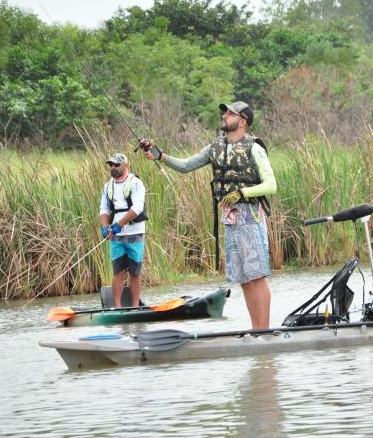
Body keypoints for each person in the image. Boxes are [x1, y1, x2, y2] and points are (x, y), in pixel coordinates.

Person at [144, 101, 276, 329]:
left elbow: (271, 185)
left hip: (250, 217)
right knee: (244, 278)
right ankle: (257, 331)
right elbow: (186, 165)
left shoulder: (254, 147)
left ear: (242, 120)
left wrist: (242, 192)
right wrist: (160, 156)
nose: (224, 116)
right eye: (224, 112)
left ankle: (264, 331)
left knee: (257, 276)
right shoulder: (215, 147)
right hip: (230, 219)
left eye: (229, 113)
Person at [99, 153, 147, 308]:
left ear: (126, 166)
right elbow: (104, 209)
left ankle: (134, 307)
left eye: (116, 165)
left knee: (135, 272)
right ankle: (117, 307)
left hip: (135, 233)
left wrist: (119, 224)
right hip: (116, 236)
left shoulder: (136, 183)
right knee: (118, 271)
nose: (113, 168)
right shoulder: (108, 186)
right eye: (111, 165)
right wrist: (106, 227)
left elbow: (138, 207)